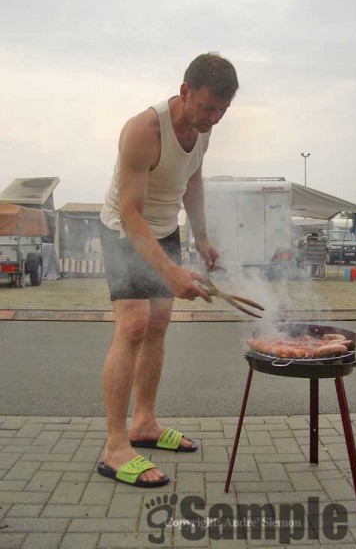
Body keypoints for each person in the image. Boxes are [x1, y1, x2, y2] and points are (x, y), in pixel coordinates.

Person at [97, 53, 239, 488]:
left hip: (164, 229)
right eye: (206, 107)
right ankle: (116, 447)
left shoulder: (202, 132)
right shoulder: (144, 129)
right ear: (184, 92)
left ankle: (144, 423)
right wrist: (172, 273)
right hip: (126, 229)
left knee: (158, 324)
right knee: (134, 324)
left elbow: (192, 182)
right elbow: (131, 212)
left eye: (221, 111)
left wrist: (201, 239)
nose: (212, 118)